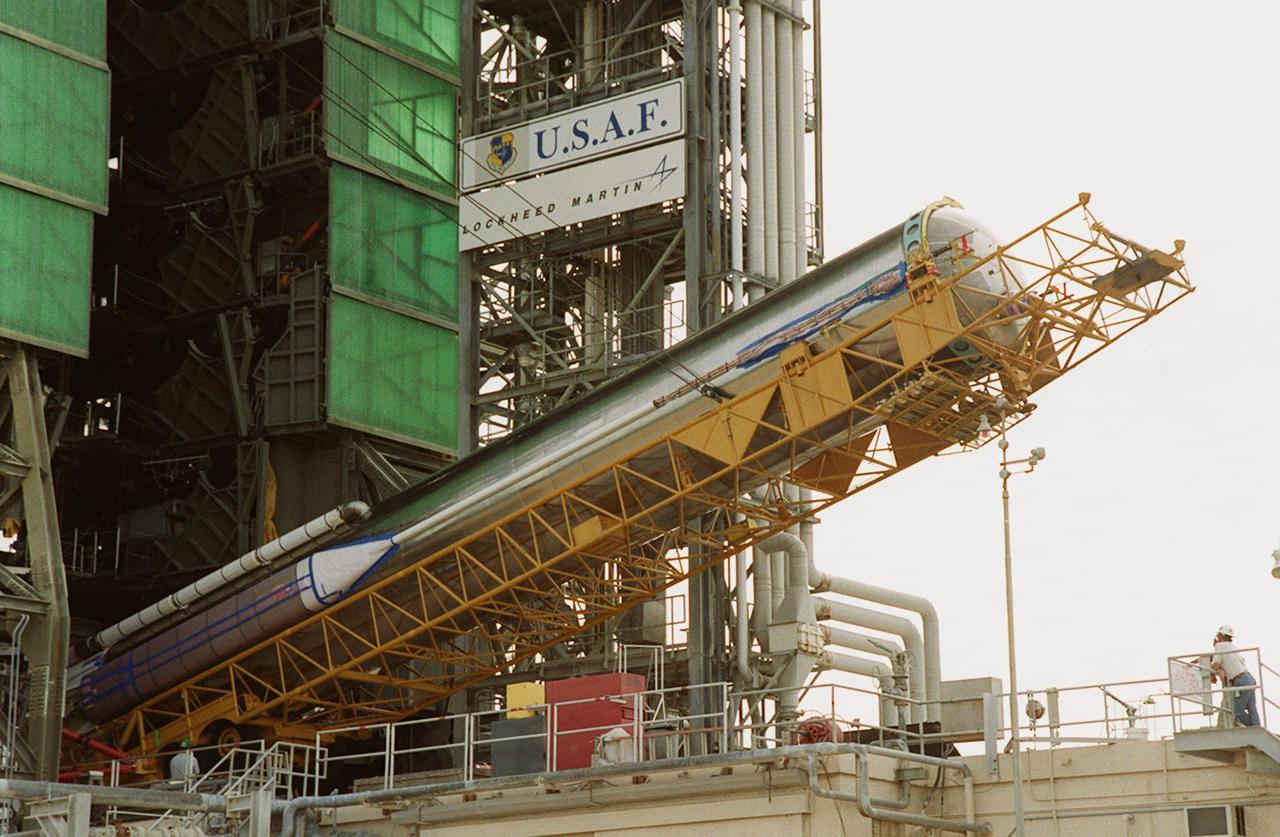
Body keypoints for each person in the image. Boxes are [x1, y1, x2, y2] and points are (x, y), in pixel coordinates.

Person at [1210, 625, 1260, 727]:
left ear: (1222, 635)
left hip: (1241, 680)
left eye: (1218, 635)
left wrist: (1211, 673)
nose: (1217, 637)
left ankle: (1252, 728)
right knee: (1252, 708)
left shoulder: (1220, 646)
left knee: (1236, 711)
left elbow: (1216, 663)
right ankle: (1257, 728)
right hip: (1249, 678)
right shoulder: (1232, 646)